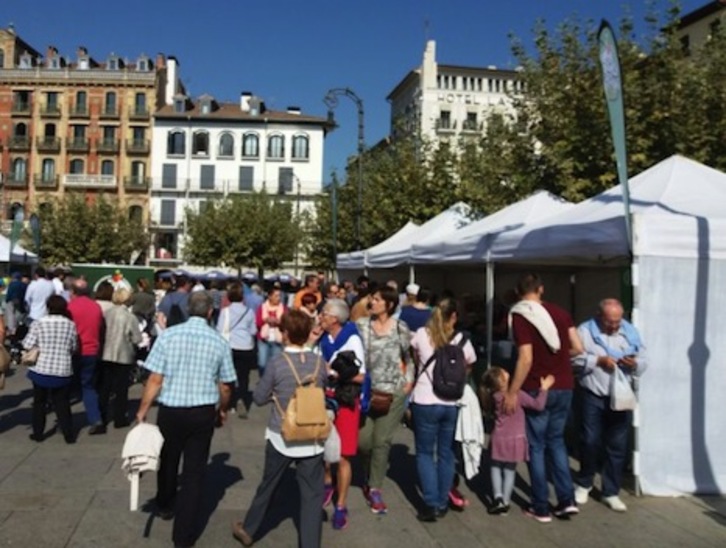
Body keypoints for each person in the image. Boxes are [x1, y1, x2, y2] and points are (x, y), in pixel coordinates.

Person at [136, 291, 236, 548]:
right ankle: (183, 534)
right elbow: (226, 385)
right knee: (194, 472)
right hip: (202, 411)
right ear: (210, 312)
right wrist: (222, 409)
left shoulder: (169, 336)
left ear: (189, 309)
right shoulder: (219, 341)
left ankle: (166, 503)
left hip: (171, 409)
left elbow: (155, 378)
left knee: (168, 459)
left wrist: (143, 408)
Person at [232, 310, 327, 548]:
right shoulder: (320, 363)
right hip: (313, 436)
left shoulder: (277, 363)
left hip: (282, 434)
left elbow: (260, 397)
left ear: (285, 334)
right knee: (313, 496)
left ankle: (249, 529)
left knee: (268, 486)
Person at [504, 273, 584, 523]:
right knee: (557, 442)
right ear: (541, 289)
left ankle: (540, 504)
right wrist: (558, 358)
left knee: (536, 446)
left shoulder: (520, 315)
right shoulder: (559, 313)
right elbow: (578, 347)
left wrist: (512, 391)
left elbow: (525, 357)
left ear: (518, 291)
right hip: (564, 383)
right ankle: (566, 499)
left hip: (536, 385)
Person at [573, 298, 648, 512]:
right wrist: (597, 361)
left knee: (617, 444)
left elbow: (645, 359)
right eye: (609, 321)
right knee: (589, 440)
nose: (615, 325)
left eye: (618, 321)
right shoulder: (584, 331)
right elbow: (573, 359)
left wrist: (635, 364)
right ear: (599, 316)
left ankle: (610, 491)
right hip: (593, 393)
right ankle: (584, 482)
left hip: (621, 396)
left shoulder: (631, 332)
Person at [409, 298, 477, 522]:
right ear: (454, 317)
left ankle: (431, 504)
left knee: (425, 453)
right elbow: (470, 364)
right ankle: (442, 499)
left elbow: (414, 357)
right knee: (446, 453)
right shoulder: (462, 340)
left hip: (424, 399)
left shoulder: (421, 334)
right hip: (451, 402)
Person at [356, 285, 414, 514]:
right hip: (367, 391)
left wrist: (408, 382)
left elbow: (409, 358)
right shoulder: (361, 326)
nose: (372, 302)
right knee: (363, 442)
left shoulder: (401, 328)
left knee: (382, 441)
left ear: (389, 305)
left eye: (377, 299)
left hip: (394, 392)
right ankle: (369, 473)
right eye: (372, 298)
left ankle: (374, 487)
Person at [480, 366, 554, 515]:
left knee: (495, 468)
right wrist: (544, 389)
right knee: (509, 471)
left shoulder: (494, 397)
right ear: (502, 381)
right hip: (516, 439)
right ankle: (506, 502)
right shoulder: (517, 395)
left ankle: (498, 497)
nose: (507, 371)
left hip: (499, 438)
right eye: (504, 372)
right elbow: (538, 405)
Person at [319, 298, 366, 530]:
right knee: (325, 447)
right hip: (325, 399)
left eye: (324, 313)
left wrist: (337, 375)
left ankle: (341, 504)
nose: (321, 316)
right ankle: (328, 481)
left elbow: (362, 376)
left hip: (346, 400)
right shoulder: (323, 339)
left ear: (335, 318)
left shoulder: (352, 340)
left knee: (345, 455)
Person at [22, 295, 78, 444]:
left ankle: (38, 433)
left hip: (41, 367)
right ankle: (68, 434)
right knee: (62, 403)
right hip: (62, 368)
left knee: (39, 402)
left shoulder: (39, 323)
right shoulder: (70, 325)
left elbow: (28, 344)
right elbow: (74, 347)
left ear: (48, 307)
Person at [99, 288, 142, 428]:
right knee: (121, 389)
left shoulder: (106, 313)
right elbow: (137, 338)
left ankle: (102, 416)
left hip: (106, 352)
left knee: (105, 387)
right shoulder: (130, 317)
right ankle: (119, 418)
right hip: (124, 354)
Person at [68, 278, 106, 435]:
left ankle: (65, 422)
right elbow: (101, 328)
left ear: (73, 292)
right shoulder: (96, 307)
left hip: (75, 351)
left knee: (66, 389)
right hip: (92, 351)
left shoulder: (70, 307)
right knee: (88, 387)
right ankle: (95, 418)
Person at [216, 282, 257, 418]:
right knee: (244, 376)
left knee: (228, 376)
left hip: (230, 346)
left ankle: (230, 403)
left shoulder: (225, 312)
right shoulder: (249, 311)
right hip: (246, 346)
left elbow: (220, 330)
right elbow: (253, 330)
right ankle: (242, 400)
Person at [256, 286, 287, 375]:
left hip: (277, 339)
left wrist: (279, 322)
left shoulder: (283, 308)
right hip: (264, 339)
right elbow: (258, 322)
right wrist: (266, 320)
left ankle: (273, 382)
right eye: (276, 296)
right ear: (269, 296)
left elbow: (287, 323)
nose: (278, 298)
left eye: (279, 296)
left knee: (276, 363)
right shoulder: (262, 307)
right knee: (262, 363)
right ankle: (263, 380)